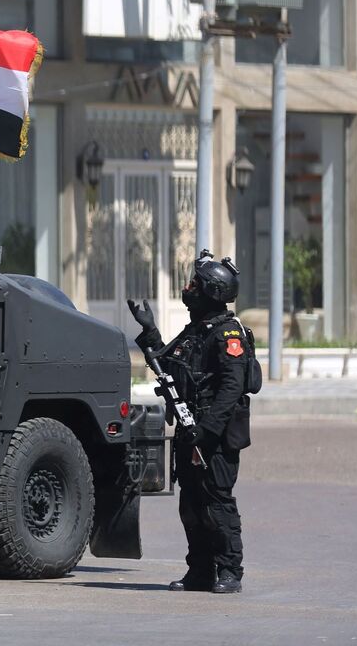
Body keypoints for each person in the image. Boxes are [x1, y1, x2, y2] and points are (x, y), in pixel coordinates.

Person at [128, 250, 257, 595]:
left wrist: (207, 429)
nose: (188, 289)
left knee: (216, 502)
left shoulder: (228, 335)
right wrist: (149, 329)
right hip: (190, 430)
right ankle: (200, 570)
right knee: (191, 505)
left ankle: (229, 570)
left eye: (195, 285)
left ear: (212, 291)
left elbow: (231, 388)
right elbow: (167, 364)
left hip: (215, 436)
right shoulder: (196, 331)